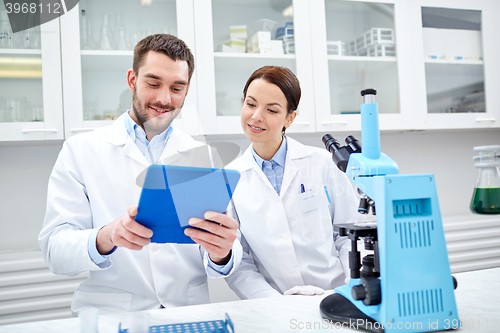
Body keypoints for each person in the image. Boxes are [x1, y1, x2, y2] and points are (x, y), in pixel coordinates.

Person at [39, 34, 242, 315]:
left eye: (176, 87)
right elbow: (55, 251)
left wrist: (223, 252)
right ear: (132, 80)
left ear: (187, 89)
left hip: (187, 314)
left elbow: (225, 252)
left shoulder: (203, 156)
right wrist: (107, 236)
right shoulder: (80, 151)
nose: (164, 98)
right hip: (113, 316)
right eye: (153, 83)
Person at [224, 66, 363, 299]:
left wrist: (351, 289)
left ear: (290, 117)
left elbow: (350, 234)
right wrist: (273, 304)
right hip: (275, 306)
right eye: (250, 104)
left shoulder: (323, 163)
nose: (257, 116)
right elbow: (240, 261)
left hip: (338, 296)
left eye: (272, 109)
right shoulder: (230, 178)